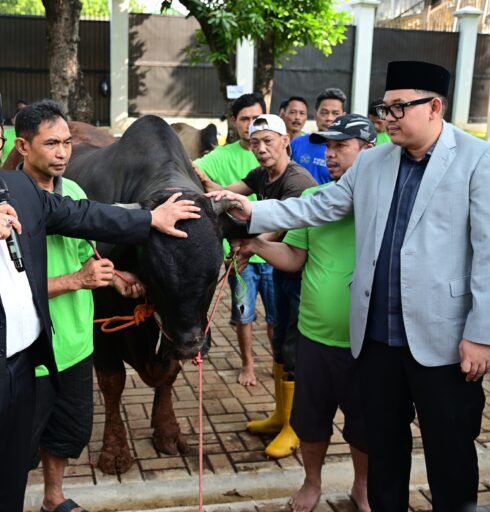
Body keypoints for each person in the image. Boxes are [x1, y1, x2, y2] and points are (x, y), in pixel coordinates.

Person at [209, 60, 490, 511]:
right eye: (385, 108)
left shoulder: (480, 159)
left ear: (434, 107)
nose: (387, 118)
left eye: (398, 108)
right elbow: (319, 205)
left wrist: (481, 335)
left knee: (450, 451)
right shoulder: (374, 162)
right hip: (378, 340)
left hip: (445, 340)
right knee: (384, 448)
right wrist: (253, 211)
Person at [0, 90, 199, 512]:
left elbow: (82, 215)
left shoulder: (15, 187)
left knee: (7, 489)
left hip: (24, 372)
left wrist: (150, 218)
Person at [235, 113, 376, 512]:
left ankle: (362, 487)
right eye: (327, 146)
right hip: (314, 335)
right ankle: (311, 483)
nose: (329, 155)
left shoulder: (386, 205)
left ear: (369, 151)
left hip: (366, 340)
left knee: (364, 424)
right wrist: (257, 246)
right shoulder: (315, 199)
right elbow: (295, 257)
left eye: (340, 146)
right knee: (311, 421)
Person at [14, 100, 144, 512]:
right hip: (28, 349)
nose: (63, 153)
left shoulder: (73, 191)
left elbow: (85, 253)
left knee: (67, 431)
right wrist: (76, 281)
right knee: (16, 444)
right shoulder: (4, 202)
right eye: (51, 143)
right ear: (22, 146)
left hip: (75, 343)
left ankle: (53, 497)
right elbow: (2, 288)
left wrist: (116, 277)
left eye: (67, 142)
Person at [198, 114, 317, 457]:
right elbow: (229, 194)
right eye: (255, 143)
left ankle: (295, 427)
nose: (261, 149)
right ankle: (281, 415)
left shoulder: (298, 181)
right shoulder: (261, 175)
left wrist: (248, 247)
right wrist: (201, 182)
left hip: (301, 274)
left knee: (294, 347)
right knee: (279, 342)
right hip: (281, 269)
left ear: (285, 141)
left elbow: (278, 227)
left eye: (268, 141)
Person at [193, 92, 277, 387]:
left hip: (275, 250)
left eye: (256, 118)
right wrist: (208, 183)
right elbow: (194, 169)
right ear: (234, 122)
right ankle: (248, 365)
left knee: (277, 316)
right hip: (240, 253)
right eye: (244, 119)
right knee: (244, 315)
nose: (250, 125)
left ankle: (278, 364)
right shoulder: (221, 156)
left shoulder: (275, 153)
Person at [290, 88, 347, 184]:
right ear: (315, 114)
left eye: (335, 114)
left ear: (343, 116)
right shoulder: (296, 143)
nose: (329, 118)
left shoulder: (347, 151)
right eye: (324, 113)